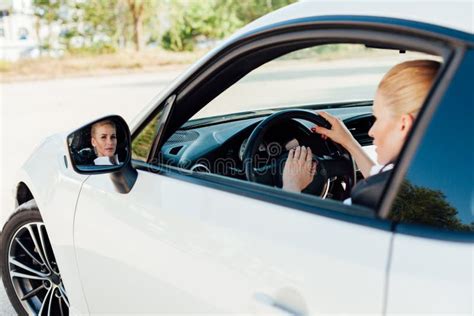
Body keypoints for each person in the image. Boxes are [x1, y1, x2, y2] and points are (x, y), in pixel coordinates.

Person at [282, 59, 441, 207]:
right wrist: (349, 142)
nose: (371, 132)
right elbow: (381, 180)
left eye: (377, 118)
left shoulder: (368, 202)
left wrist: (291, 185)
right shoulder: (435, 176)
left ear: (404, 125)